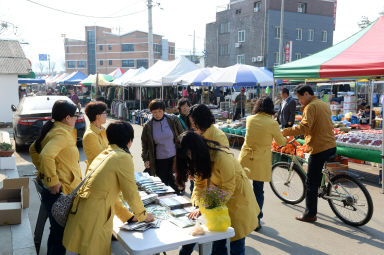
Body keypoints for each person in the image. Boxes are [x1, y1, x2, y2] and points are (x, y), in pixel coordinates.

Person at [63, 121, 155, 255]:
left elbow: (109, 193)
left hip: (84, 213)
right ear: (129, 140)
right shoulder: (122, 157)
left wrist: (128, 217)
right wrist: (143, 215)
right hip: (95, 217)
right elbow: (130, 193)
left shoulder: (104, 153)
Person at [176, 131, 259, 255]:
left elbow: (228, 187)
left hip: (237, 200)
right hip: (217, 201)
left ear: (196, 148)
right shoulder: (198, 158)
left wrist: (207, 207)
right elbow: (198, 185)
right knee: (218, 241)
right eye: (187, 155)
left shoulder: (221, 157)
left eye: (189, 153)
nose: (189, 157)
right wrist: (201, 206)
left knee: (236, 241)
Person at [29, 100, 81, 255]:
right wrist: (53, 181)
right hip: (61, 190)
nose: (76, 119)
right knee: (60, 236)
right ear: (66, 118)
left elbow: (34, 149)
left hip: (59, 188)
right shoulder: (61, 134)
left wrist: (44, 172)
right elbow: (45, 155)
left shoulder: (55, 129)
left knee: (56, 232)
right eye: (74, 116)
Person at [282, 85, 336, 222]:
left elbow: (305, 127)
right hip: (330, 145)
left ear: (306, 94)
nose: (299, 101)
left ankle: (310, 214)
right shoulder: (323, 104)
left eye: (300, 98)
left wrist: (286, 131)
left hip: (319, 148)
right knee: (316, 178)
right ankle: (321, 189)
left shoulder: (311, 107)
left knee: (311, 183)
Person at [238, 97, 287, 231]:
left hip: (246, 157)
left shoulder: (249, 119)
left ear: (258, 106)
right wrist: (285, 137)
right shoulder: (272, 123)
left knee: (242, 188)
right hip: (261, 160)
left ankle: (241, 215)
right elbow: (281, 141)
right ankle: (256, 219)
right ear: (271, 108)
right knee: (258, 190)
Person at [141, 99, 184, 192]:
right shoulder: (148, 126)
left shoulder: (173, 119)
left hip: (174, 156)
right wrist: (146, 158)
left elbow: (182, 135)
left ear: (164, 110)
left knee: (176, 182)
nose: (157, 114)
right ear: (151, 112)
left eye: (160, 111)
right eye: (154, 112)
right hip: (160, 159)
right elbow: (145, 144)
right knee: (163, 183)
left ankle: (177, 198)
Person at [83, 101, 108, 169]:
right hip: (97, 171)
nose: (106, 115)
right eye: (105, 113)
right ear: (98, 116)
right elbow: (103, 155)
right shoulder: (90, 135)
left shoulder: (103, 130)